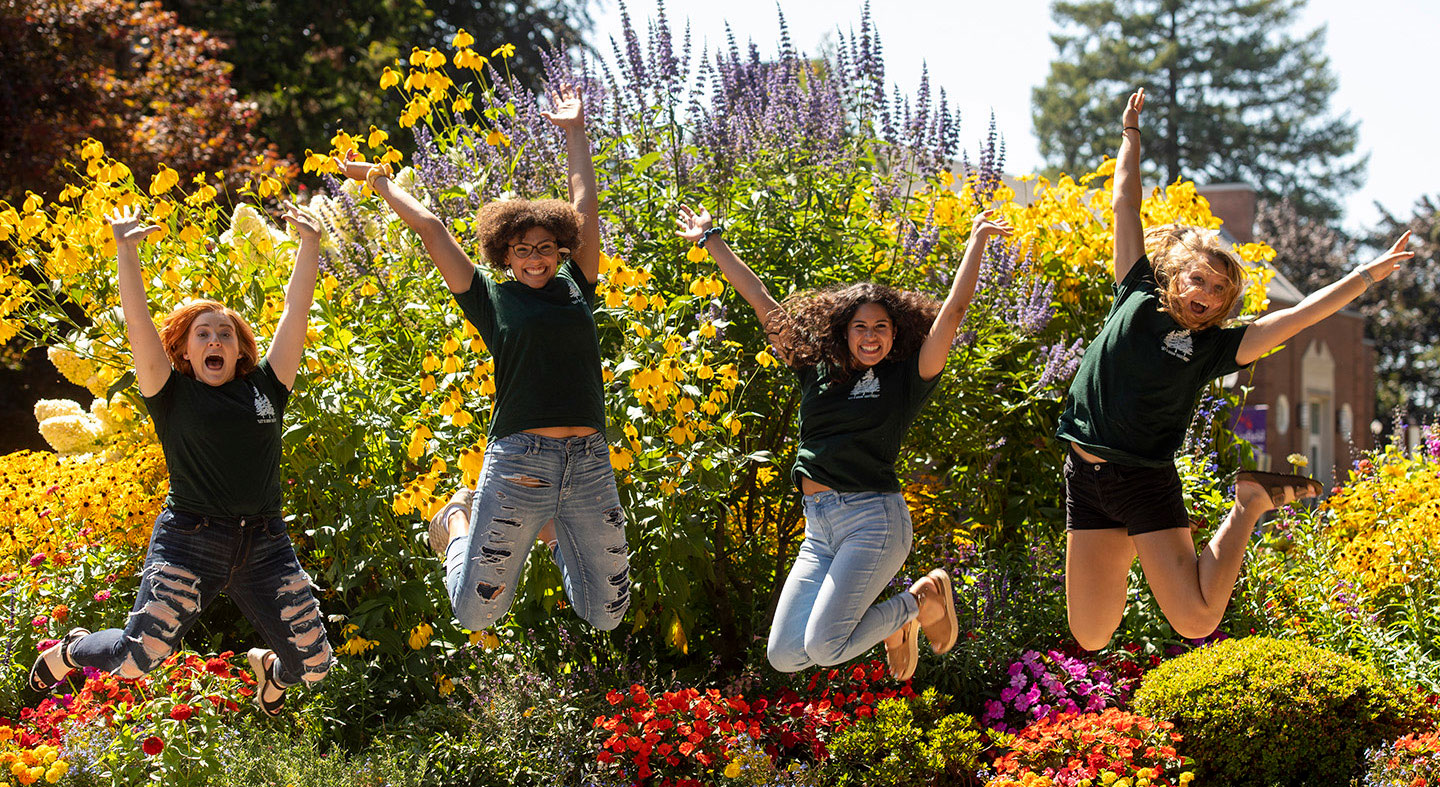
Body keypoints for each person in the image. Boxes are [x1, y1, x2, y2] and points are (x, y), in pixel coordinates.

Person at [1059, 87, 1414, 650]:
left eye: (1221, 289)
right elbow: (1125, 202)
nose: (1208, 291)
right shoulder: (1135, 289)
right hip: (1085, 475)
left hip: (1142, 480)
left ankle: (1248, 501)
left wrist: (1365, 275)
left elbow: (1298, 315)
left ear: (1225, 306)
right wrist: (1131, 136)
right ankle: (1138, 550)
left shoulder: (1216, 348)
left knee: (1196, 621)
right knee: (1092, 634)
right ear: (1174, 275)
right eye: (1199, 278)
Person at [675, 202, 1013, 679]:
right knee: (785, 655)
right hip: (820, 530)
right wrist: (712, 239)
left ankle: (918, 603)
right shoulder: (816, 367)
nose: (871, 337)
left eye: (881, 327)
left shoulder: (907, 378)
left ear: (897, 333)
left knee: (827, 645)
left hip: (873, 521)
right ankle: (901, 621)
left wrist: (976, 240)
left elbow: (953, 313)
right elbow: (760, 300)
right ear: (843, 331)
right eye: (860, 326)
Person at [336, 85, 630, 633]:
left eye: (545, 246)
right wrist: (375, 179)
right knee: (475, 613)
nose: (535, 257)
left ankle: (554, 528)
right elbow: (430, 227)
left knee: (606, 614)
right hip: (520, 463)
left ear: (561, 249)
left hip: (589, 463)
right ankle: (455, 523)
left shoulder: (577, 286)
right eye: (522, 249)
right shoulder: (491, 299)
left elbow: (585, 205)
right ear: (505, 255)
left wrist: (575, 132)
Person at [29, 202, 334, 715]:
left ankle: (270, 671)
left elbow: (295, 313)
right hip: (191, 542)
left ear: (240, 351)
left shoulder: (266, 387)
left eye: (226, 334)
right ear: (185, 352)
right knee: (134, 660)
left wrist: (310, 245)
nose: (215, 339)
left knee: (315, 666)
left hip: (265, 543)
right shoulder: (169, 393)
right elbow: (138, 322)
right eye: (203, 334)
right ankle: (71, 649)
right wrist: (126, 251)